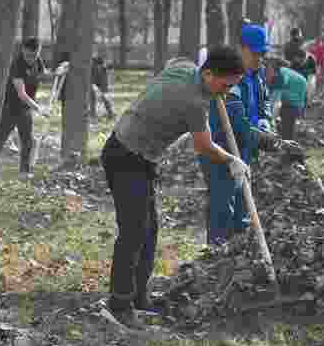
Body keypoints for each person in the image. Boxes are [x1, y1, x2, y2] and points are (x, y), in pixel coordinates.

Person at [102, 46, 250, 329]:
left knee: (149, 229)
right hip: (124, 155)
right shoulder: (194, 102)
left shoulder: (185, 70)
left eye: (232, 87)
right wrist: (233, 160)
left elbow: (179, 60)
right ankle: (118, 305)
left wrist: (214, 79)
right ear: (207, 74)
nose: (227, 92)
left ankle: (138, 298)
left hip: (141, 158)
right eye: (225, 85)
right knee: (134, 231)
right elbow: (203, 146)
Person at [199, 23, 275, 247]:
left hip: (246, 148)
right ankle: (216, 252)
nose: (260, 58)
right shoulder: (228, 76)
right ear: (242, 48)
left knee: (243, 204)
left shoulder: (257, 76)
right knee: (223, 204)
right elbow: (236, 123)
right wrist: (268, 141)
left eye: (263, 53)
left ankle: (236, 254)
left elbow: (264, 103)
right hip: (220, 148)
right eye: (255, 53)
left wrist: (266, 120)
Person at [0, 38, 49, 172]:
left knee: (27, 142)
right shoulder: (17, 65)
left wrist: (58, 73)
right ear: (23, 50)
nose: (31, 59)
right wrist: (38, 108)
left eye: (34, 55)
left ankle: (24, 172)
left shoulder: (38, 60)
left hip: (25, 109)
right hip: (10, 108)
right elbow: (22, 94)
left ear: (38, 51)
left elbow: (44, 76)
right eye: (28, 55)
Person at [263, 57, 308, 162]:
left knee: (287, 129)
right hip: (291, 96)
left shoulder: (280, 77)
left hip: (295, 97)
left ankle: (294, 158)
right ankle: (290, 156)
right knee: (285, 128)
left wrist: (271, 121)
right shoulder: (276, 75)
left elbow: (275, 103)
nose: (265, 76)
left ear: (273, 70)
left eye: (267, 73)